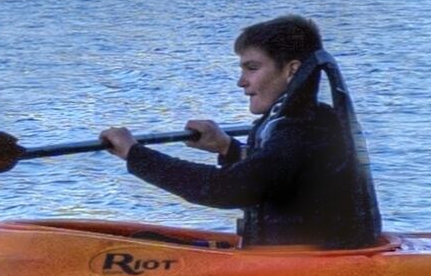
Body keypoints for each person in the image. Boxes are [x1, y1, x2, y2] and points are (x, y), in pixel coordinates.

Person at [103, 14, 385, 249]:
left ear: (291, 70)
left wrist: (134, 154)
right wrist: (228, 148)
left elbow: (227, 189)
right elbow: (278, 178)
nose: (241, 82)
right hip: (300, 258)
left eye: (252, 68)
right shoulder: (311, 118)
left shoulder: (302, 128)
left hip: (309, 268)